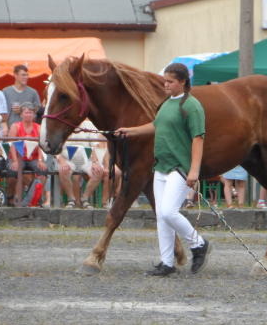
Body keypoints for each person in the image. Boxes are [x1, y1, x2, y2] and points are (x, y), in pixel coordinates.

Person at [115, 63, 212, 276]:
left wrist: (194, 171)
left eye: (170, 82)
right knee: (161, 215)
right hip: (162, 166)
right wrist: (130, 131)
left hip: (180, 167)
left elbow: (198, 138)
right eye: (165, 81)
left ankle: (198, 244)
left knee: (169, 212)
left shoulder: (192, 106)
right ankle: (167, 263)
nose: (165, 85)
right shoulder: (167, 103)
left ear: (182, 82)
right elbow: (157, 125)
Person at [55, 119, 106, 209]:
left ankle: (85, 199)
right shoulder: (61, 125)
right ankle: (72, 200)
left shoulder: (89, 125)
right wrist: (62, 161)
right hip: (67, 159)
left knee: (98, 170)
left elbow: (94, 146)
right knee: (62, 170)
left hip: (86, 158)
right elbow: (56, 147)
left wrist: (95, 162)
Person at [7, 103, 47, 206]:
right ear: (21, 114)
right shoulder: (15, 126)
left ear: (34, 115)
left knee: (42, 171)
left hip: (33, 157)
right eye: (26, 112)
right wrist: (15, 161)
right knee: (13, 171)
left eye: (31, 112)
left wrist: (40, 160)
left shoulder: (38, 127)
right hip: (18, 156)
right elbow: (12, 145)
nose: (28, 115)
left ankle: (34, 198)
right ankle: (10, 197)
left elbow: (40, 146)